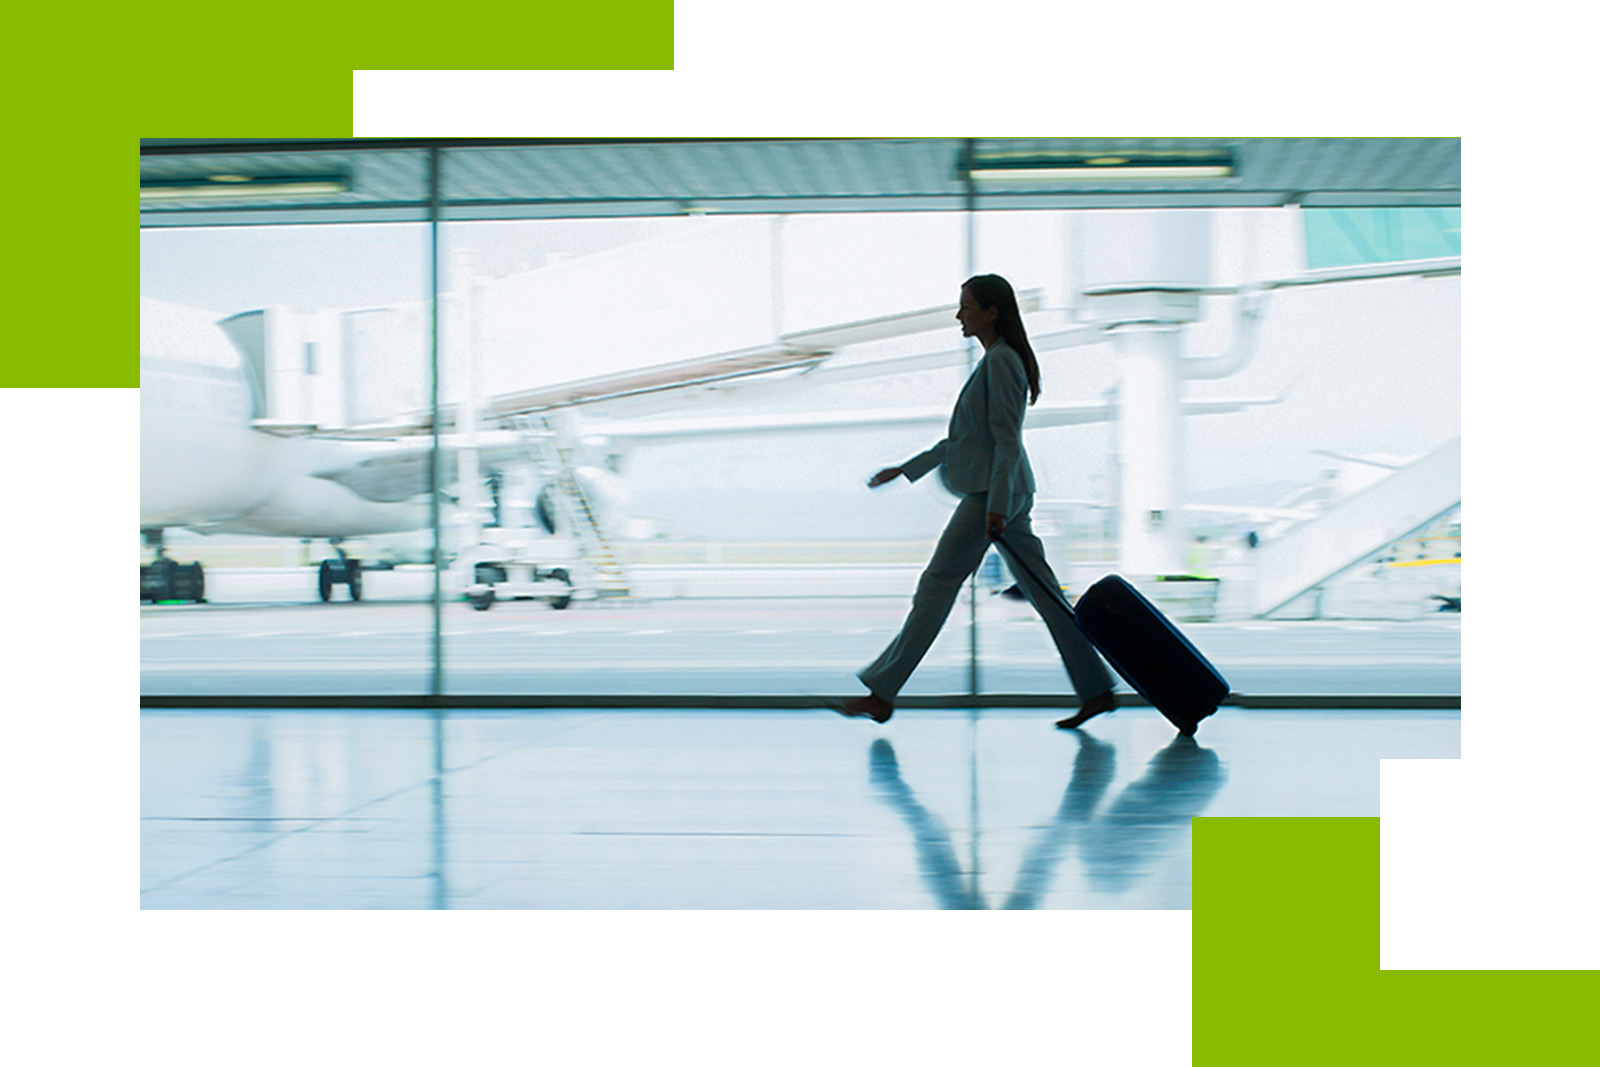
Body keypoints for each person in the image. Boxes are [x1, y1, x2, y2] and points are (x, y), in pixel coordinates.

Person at [828, 274, 1118, 730]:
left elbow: (1006, 441)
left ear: (991, 312)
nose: (959, 315)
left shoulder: (1001, 363)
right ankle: (1096, 689)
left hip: (992, 495)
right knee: (1045, 597)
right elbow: (965, 440)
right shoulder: (997, 360)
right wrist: (907, 470)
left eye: (966, 307)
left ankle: (882, 693)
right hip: (1004, 492)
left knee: (936, 586)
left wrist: (997, 509)